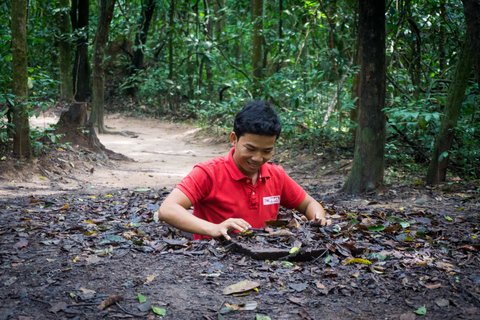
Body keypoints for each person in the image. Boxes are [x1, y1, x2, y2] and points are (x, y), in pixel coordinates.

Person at [158, 100, 331, 240]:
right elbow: (167, 209)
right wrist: (215, 229)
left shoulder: (276, 175)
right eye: (250, 149)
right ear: (234, 139)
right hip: (213, 262)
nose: (258, 158)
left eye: (267, 151)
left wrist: (317, 219)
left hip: (266, 263)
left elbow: (310, 204)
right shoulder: (208, 172)